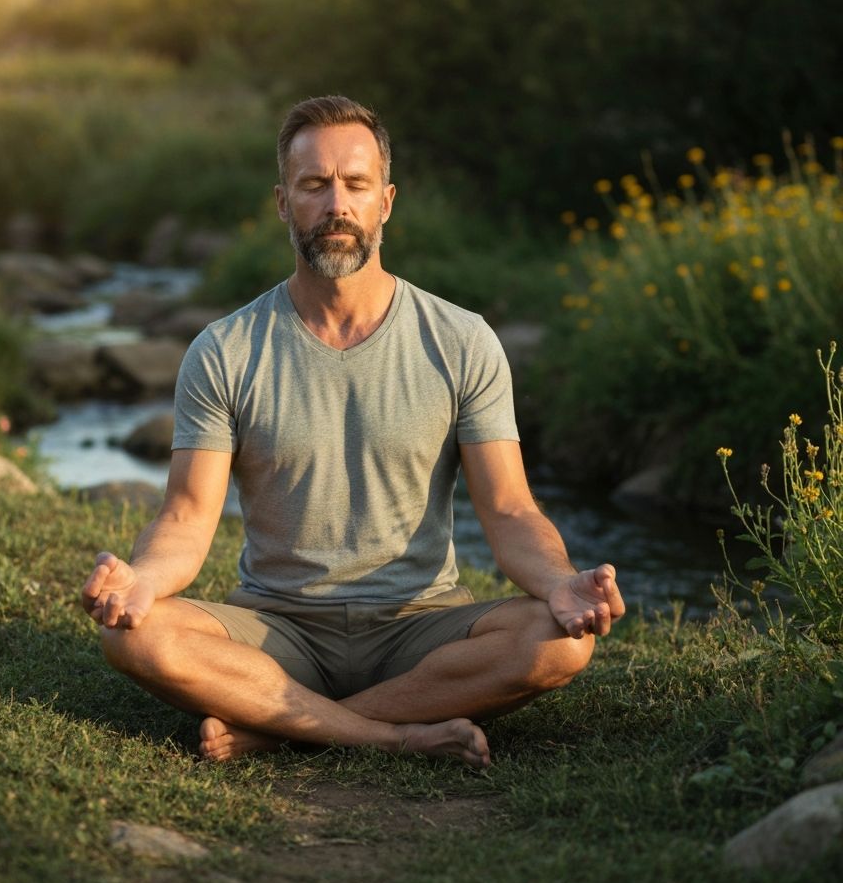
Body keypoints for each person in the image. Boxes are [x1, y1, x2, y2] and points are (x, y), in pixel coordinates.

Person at [81, 95, 625, 768]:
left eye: (355, 184)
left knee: (560, 640)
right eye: (314, 185)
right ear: (283, 202)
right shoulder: (224, 350)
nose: (336, 203)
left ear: (385, 201)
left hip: (419, 627)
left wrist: (559, 583)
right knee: (135, 638)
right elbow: (188, 518)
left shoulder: (461, 340)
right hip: (278, 631)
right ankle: (393, 733)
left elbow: (511, 510)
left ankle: (279, 726)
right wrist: (144, 579)